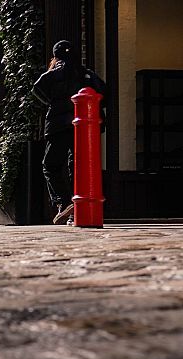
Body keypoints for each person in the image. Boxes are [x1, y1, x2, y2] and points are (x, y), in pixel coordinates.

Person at [33, 40, 106, 225]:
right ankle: (75, 206)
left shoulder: (52, 74)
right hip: (80, 127)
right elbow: (103, 93)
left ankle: (64, 202)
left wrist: (52, 102)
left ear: (55, 56)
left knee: (50, 165)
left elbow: (36, 89)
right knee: (78, 166)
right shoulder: (87, 74)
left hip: (58, 125)